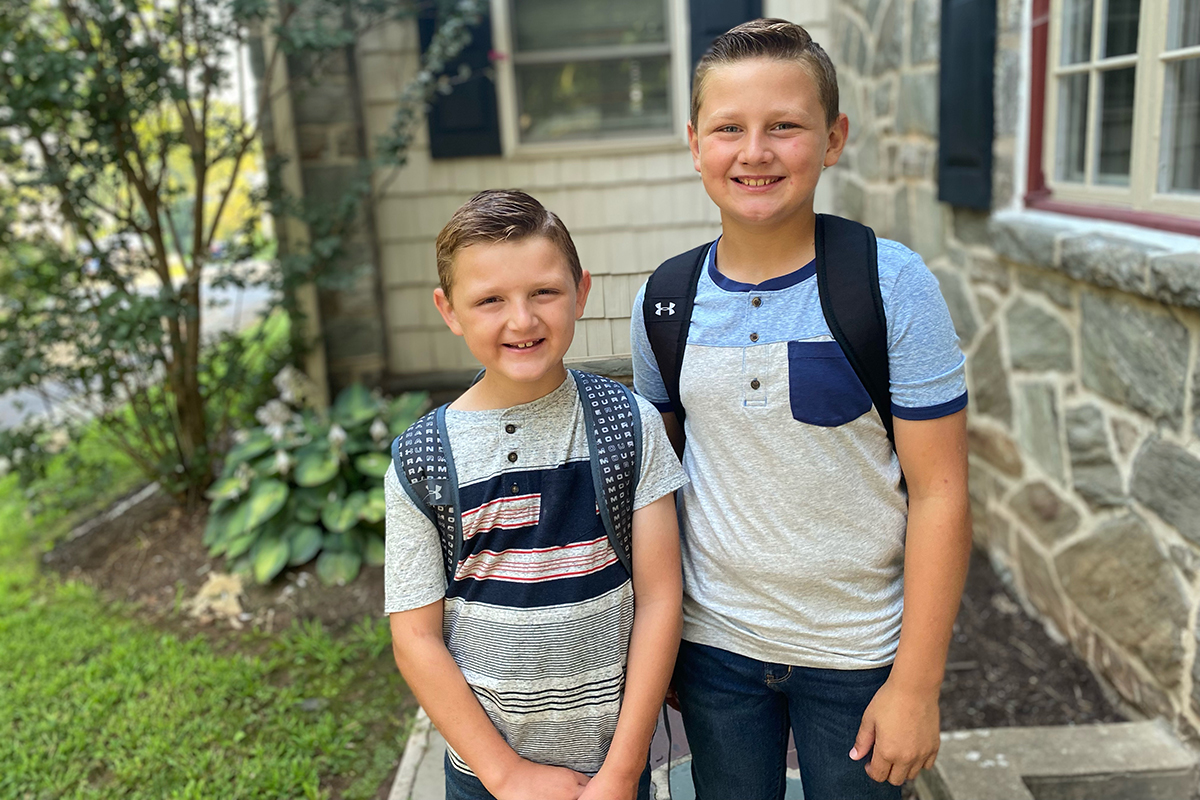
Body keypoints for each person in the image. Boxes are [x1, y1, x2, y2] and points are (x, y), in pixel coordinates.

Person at [630, 19, 972, 800]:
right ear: (694, 143)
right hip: (716, 653)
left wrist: (916, 685)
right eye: (729, 129)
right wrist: (663, 644)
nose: (755, 152)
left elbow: (942, 493)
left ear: (833, 138)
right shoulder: (665, 302)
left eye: (785, 126)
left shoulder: (889, 285)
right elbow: (662, 491)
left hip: (858, 655)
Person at [385, 189, 688, 800]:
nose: (521, 320)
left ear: (581, 290)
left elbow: (661, 598)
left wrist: (624, 771)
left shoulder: (627, 425)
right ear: (449, 310)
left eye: (543, 292)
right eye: (490, 300)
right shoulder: (421, 461)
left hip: (613, 764)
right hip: (486, 774)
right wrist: (506, 773)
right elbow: (415, 638)